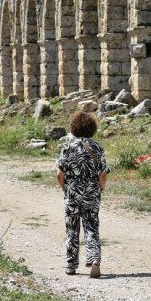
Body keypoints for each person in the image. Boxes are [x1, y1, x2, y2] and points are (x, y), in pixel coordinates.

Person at [57, 111, 110, 278]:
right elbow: (102, 173)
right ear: (92, 128)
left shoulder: (67, 147)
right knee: (92, 226)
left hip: (72, 192)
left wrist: (66, 189)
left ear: (74, 128)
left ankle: (71, 266)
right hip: (92, 192)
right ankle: (94, 259)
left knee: (72, 228)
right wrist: (100, 187)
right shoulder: (97, 147)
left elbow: (60, 173)